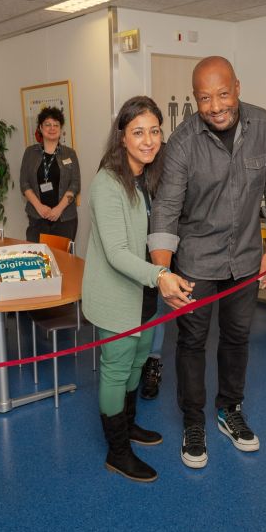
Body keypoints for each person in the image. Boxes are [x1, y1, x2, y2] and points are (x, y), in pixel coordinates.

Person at [149, 56, 266, 469]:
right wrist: (163, 273)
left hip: (246, 258)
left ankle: (230, 410)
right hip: (195, 262)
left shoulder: (264, 126)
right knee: (191, 343)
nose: (215, 106)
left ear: (238, 88)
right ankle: (195, 423)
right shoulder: (181, 143)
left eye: (222, 94)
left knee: (237, 338)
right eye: (205, 98)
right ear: (195, 99)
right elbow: (165, 211)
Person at [83, 96, 193, 482]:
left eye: (154, 131)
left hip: (143, 296)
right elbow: (115, 253)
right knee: (116, 370)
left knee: (137, 362)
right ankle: (117, 451)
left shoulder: (147, 178)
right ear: (122, 137)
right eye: (138, 132)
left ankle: (128, 425)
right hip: (116, 297)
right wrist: (161, 277)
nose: (148, 140)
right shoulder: (107, 183)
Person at [19, 107, 80, 242]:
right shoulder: (30, 153)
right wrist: (39, 207)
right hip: (37, 218)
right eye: (47, 124)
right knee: (36, 259)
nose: (52, 128)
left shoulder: (70, 153)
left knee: (62, 261)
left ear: (60, 129)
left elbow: (75, 185)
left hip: (65, 219)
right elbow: (24, 183)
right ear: (40, 128)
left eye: (56, 125)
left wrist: (59, 209)